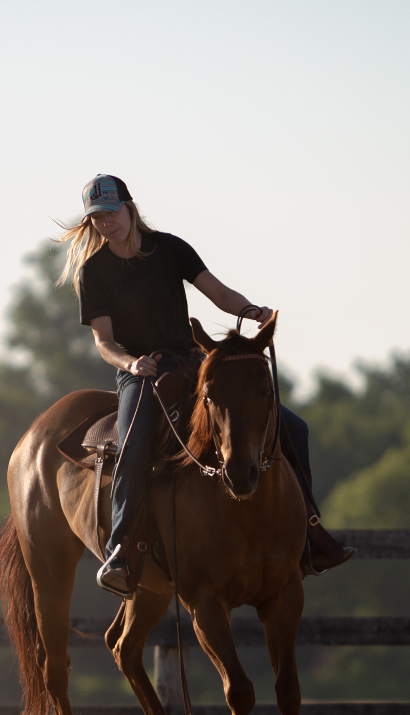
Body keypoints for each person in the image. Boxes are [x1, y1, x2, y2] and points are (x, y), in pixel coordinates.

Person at [58, 174, 354, 596]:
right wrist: (132, 362)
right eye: (98, 218)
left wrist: (252, 310)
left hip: (195, 363)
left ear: (129, 207)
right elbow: (104, 342)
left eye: (112, 212)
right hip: (141, 373)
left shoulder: (171, 249)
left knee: (295, 428)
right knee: (135, 444)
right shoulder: (94, 271)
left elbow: (217, 293)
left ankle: (309, 532)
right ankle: (121, 550)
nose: (107, 223)